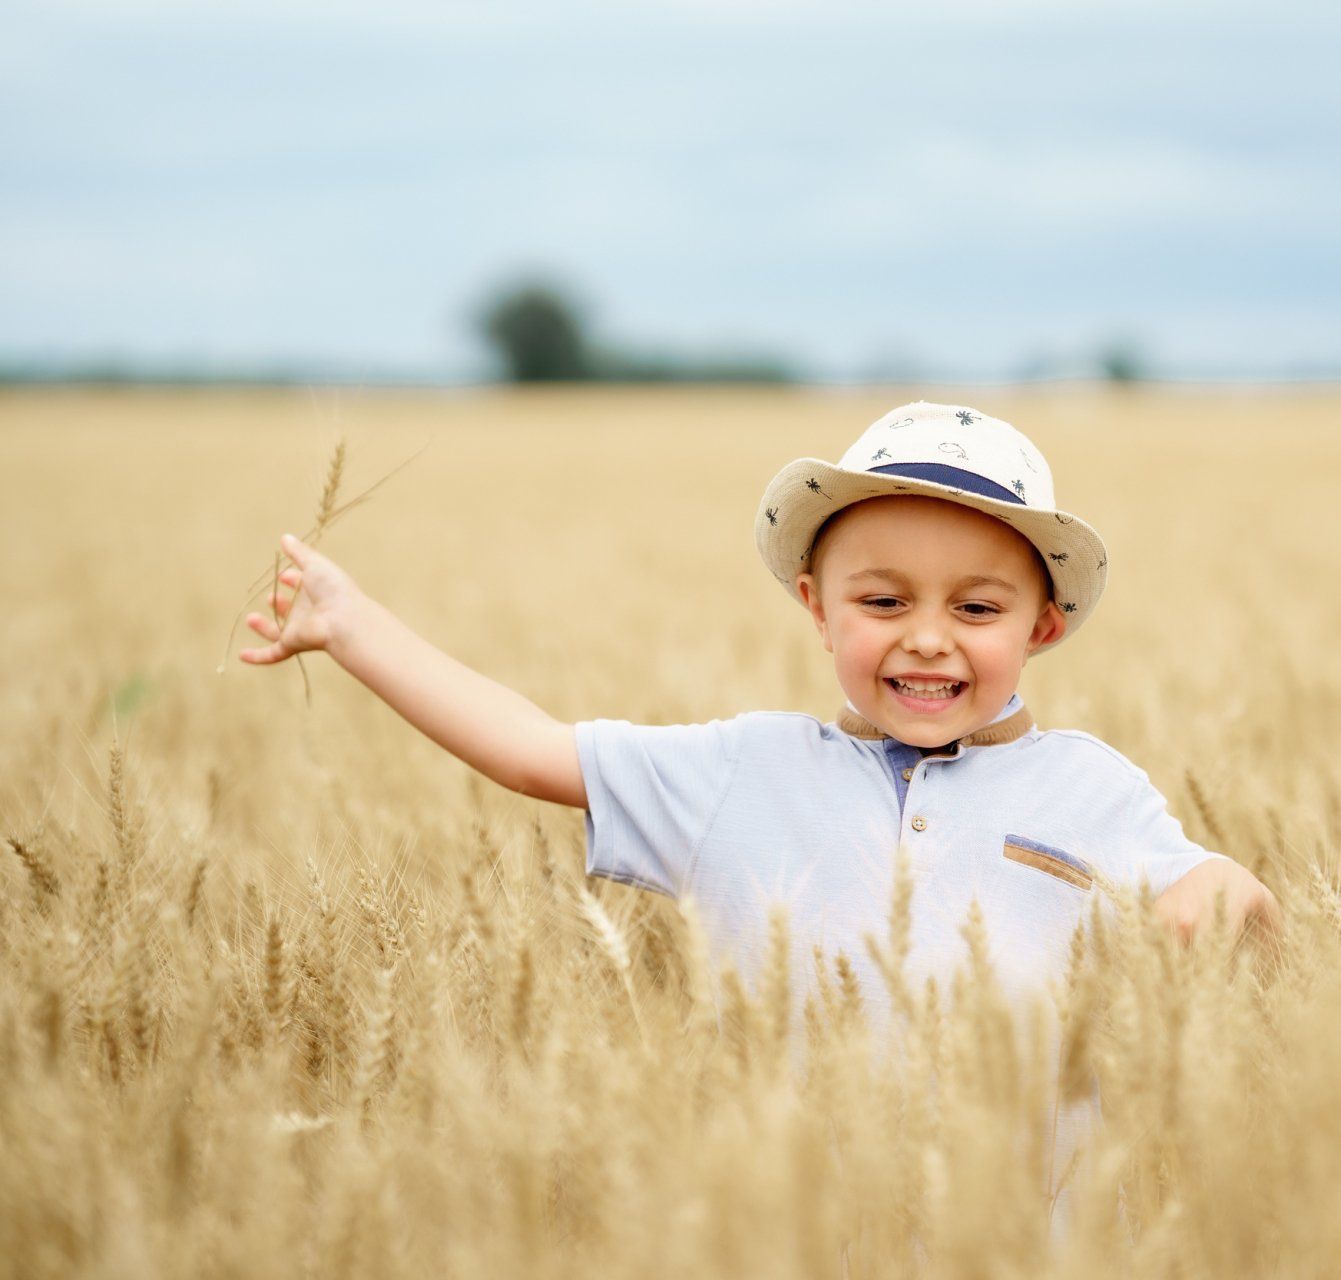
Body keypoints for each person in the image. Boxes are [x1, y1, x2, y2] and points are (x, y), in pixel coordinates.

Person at [239, 399, 1279, 1207]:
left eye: (976, 606)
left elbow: (1231, 916)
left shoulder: (1093, 789)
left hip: (1018, 1244)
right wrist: (353, 625)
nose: (927, 636)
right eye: (882, 600)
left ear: (1043, 628)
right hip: (780, 1235)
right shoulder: (743, 770)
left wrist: (1232, 891)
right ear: (814, 605)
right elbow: (532, 753)